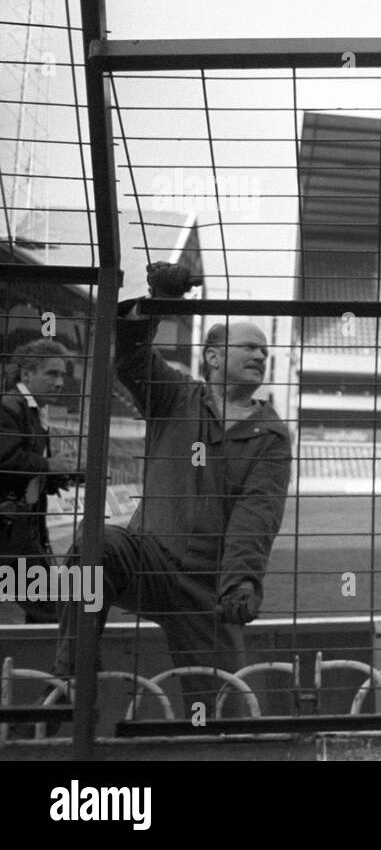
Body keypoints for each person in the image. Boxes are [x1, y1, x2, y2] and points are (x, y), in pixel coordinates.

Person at [54, 262, 291, 715]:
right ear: (214, 356)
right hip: (149, 558)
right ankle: (73, 666)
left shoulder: (272, 436)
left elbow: (256, 514)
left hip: (208, 587)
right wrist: (158, 301)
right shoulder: (175, 396)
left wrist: (241, 580)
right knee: (95, 541)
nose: (261, 355)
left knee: (223, 711)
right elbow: (129, 357)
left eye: (265, 351)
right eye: (249, 347)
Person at [1, 339, 77, 624]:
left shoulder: (30, 409)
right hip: (11, 529)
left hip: (19, 527)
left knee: (46, 603)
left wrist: (55, 477)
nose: (59, 383)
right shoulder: (9, 407)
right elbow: (5, 459)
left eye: (62, 375)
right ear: (26, 374)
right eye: (52, 374)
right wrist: (48, 465)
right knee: (49, 605)